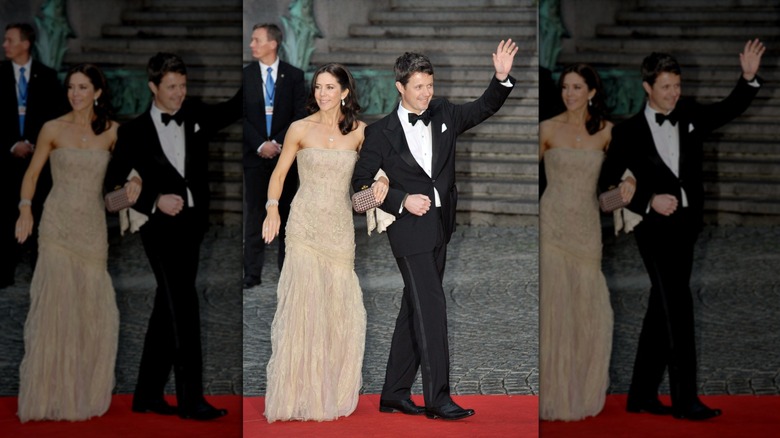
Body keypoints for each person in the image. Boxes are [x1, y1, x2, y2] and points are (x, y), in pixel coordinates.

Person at [352, 40, 517, 421]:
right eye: (419, 87)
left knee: (414, 308)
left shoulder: (444, 112)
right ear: (400, 87)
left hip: (441, 226)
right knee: (432, 307)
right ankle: (438, 399)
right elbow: (359, 188)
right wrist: (399, 199)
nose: (427, 93)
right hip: (408, 232)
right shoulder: (380, 132)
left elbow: (483, 108)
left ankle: (393, 392)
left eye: (430, 85)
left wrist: (501, 78)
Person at [600, 39, 765, 421]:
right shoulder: (627, 132)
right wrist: (646, 201)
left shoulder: (688, 114)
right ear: (647, 87)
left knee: (662, 308)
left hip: (687, 227)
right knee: (679, 307)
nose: (674, 93)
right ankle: (685, 400)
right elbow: (605, 195)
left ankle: (640, 394)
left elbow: (728, 109)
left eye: (678, 85)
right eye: (666, 87)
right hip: (654, 230)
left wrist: (748, 78)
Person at [104, 52, 241, 421]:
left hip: (193, 226)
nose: (179, 94)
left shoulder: (194, 114)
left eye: (183, 86)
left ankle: (146, 394)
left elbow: (232, 109)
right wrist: (152, 200)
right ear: (153, 87)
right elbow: (109, 195)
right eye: (171, 87)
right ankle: (190, 400)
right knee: (183, 305)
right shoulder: (131, 132)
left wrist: (261, 70)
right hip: (158, 229)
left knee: (167, 308)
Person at [261, 62, 381, 423]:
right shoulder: (299, 128)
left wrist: (382, 184)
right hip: (304, 226)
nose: (323, 94)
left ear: (345, 92)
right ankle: (297, 392)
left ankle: (330, 388)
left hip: (339, 230)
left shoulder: (361, 132)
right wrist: (271, 210)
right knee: (302, 306)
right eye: (318, 87)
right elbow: (279, 175)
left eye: (330, 88)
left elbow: (374, 172)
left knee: (337, 307)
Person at [15, 63, 130, 422]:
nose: (75, 94)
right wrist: (25, 210)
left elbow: (126, 179)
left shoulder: (113, 132)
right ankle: (49, 392)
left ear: (97, 92)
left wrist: (133, 189)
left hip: (92, 229)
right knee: (55, 305)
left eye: (83, 88)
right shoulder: (52, 128)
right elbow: (31, 175)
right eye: (71, 88)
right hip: (57, 226)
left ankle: (81, 389)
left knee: (90, 306)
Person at [538, 63, 635, 421]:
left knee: (586, 310)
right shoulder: (546, 129)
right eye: (566, 87)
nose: (569, 94)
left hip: (586, 229)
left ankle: (580, 388)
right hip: (550, 225)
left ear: (592, 92)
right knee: (555, 309)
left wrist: (629, 188)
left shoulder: (609, 133)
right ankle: (552, 392)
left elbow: (613, 188)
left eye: (577, 87)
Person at [1, 22, 66, 288]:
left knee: (39, 213)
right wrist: (12, 144)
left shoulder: (47, 76)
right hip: (6, 160)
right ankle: (4, 271)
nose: (5, 45)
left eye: (9, 40)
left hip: (38, 160)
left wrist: (32, 143)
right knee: (5, 214)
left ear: (25, 44)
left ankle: (40, 273)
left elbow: (55, 116)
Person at [242, 23, 306, 289]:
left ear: (273, 44)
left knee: (286, 212)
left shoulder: (293, 76)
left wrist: (279, 142)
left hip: (285, 156)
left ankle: (285, 270)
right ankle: (252, 273)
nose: (251, 45)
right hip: (255, 157)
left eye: (257, 40)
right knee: (255, 213)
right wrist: (260, 144)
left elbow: (298, 114)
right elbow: (242, 116)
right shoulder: (245, 76)